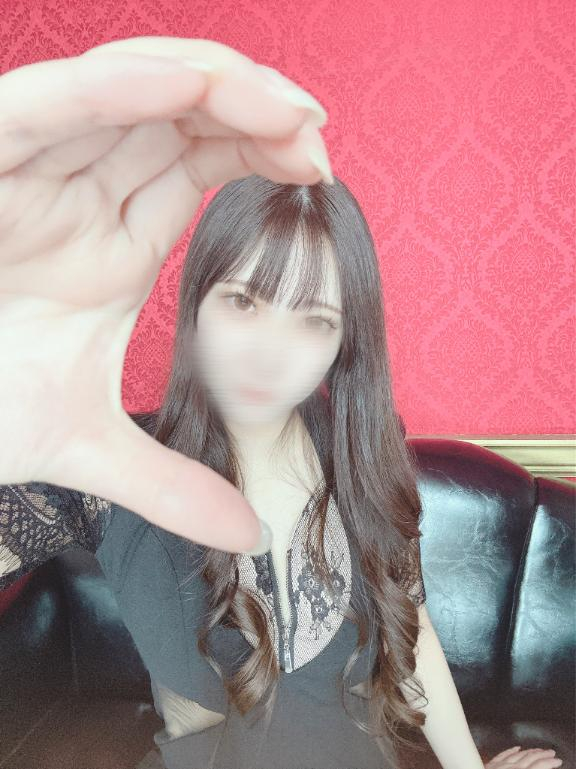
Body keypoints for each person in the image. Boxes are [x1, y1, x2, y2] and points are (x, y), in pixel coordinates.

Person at [0, 36, 563, 769]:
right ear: (197, 304)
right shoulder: (111, 476)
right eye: (244, 301)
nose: (270, 353)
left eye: (313, 320)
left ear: (343, 342)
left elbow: (412, 626)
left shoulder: (363, 450)